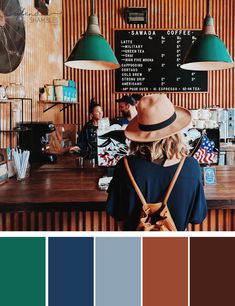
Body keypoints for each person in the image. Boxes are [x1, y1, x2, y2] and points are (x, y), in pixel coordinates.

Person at [106, 94, 207, 231]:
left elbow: (118, 215)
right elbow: (197, 217)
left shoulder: (125, 166)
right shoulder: (191, 167)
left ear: (139, 134)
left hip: (134, 245)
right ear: (176, 132)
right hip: (176, 247)